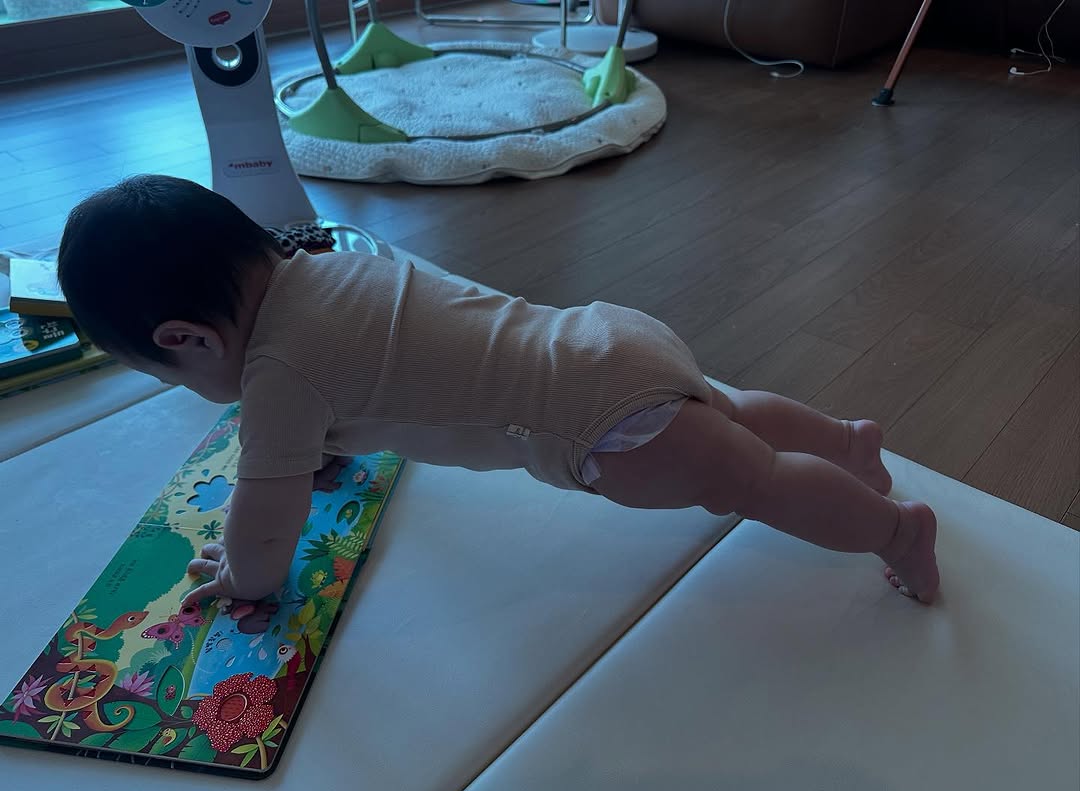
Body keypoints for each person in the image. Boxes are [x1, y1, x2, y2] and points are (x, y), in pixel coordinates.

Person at [57, 175, 939, 607]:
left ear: (188, 339)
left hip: (605, 428)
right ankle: (848, 442)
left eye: (172, 377)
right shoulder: (328, 263)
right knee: (733, 416)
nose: (194, 391)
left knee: (756, 481)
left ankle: (896, 530)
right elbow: (379, 364)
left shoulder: (277, 379)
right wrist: (323, 445)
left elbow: (264, 520)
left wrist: (246, 580)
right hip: (606, 338)